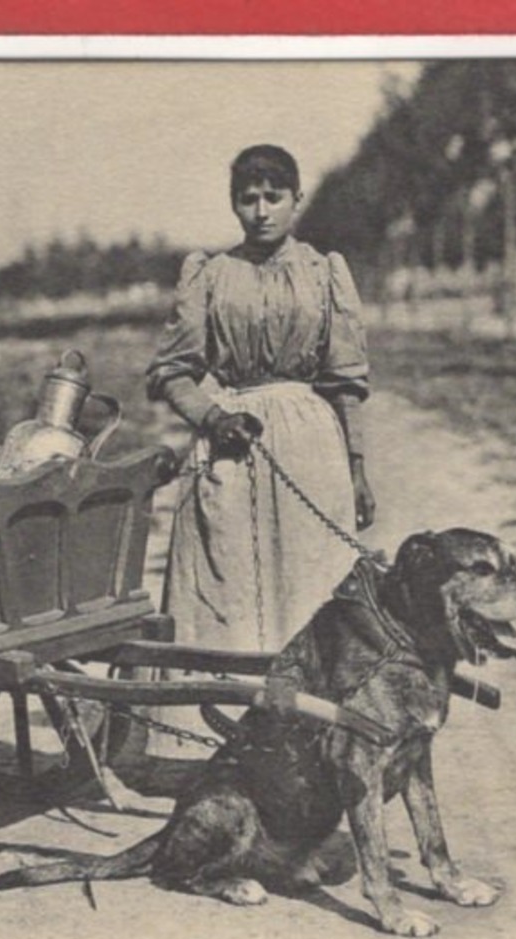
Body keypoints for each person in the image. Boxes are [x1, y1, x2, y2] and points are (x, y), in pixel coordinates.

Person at [149, 144, 375, 655]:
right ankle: (218, 707)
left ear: (297, 199)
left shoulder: (324, 273)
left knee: (313, 583)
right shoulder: (209, 276)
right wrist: (212, 416)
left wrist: (357, 469)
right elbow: (172, 372)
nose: (261, 211)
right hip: (232, 445)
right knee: (226, 579)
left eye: (273, 197)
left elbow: (345, 382)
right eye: (248, 198)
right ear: (234, 204)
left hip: (312, 449)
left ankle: (313, 709)